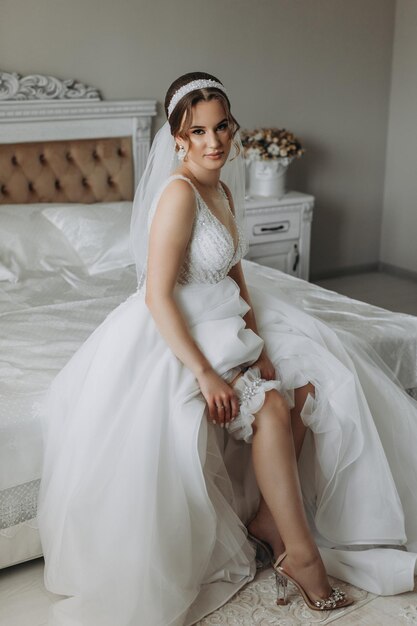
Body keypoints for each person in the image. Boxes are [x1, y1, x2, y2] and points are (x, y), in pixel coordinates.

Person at [38, 72, 417, 626]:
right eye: (198, 131)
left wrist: (258, 344)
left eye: (221, 128)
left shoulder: (222, 187)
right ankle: (302, 555)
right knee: (269, 405)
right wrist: (206, 373)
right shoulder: (178, 194)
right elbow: (157, 296)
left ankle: (268, 517)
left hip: (225, 316)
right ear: (178, 138)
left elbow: (236, 272)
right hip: (181, 326)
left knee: (312, 379)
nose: (214, 142)